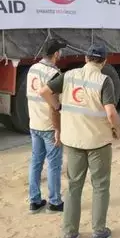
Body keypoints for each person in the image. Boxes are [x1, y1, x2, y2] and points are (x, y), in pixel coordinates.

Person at [40, 43, 120, 238]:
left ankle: (69, 234)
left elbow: (44, 91)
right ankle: (99, 232)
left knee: (74, 186)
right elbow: (110, 112)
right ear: (104, 61)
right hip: (98, 142)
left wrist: (57, 106)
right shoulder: (104, 80)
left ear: (85, 59)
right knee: (100, 186)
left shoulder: (68, 75)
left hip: (73, 141)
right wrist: (117, 130)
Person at [26, 38, 67, 214]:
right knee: (54, 164)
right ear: (56, 53)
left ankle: (34, 201)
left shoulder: (32, 69)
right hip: (48, 125)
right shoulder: (53, 74)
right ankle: (55, 202)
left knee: (36, 162)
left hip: (34, 123)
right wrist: (58, 129)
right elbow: (53, 106)